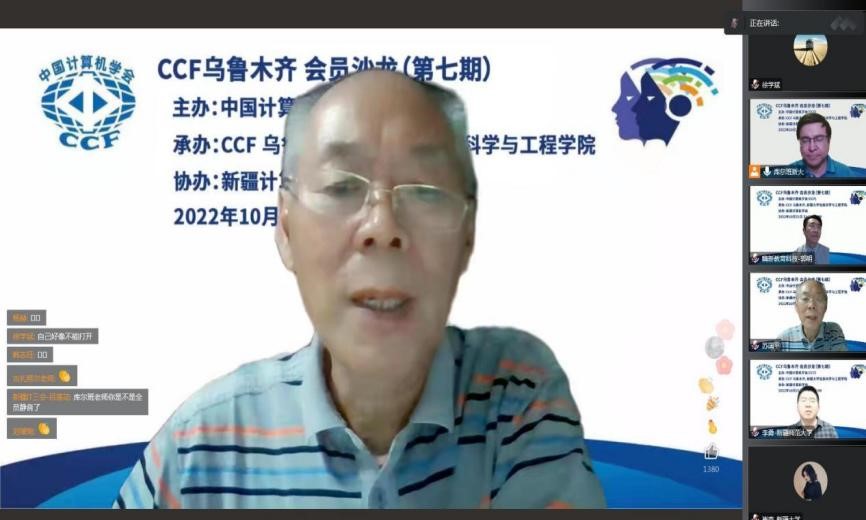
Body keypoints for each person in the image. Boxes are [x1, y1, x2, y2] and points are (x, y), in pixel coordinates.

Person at [113, 70, 605, 509]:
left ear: (468, 234)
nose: (382, 226)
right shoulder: (200, 448)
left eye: (425, 190)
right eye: (341, 187)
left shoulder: (514, 396)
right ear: (285, 229)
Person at [777, 279, 846, 352]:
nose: (811, 305)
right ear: (796, 306)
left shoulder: (834, 332)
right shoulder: (784, 340)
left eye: (819, 299)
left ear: (826, 306)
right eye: (805, 299)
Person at [788, 112, 857, 178]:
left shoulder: (846, 174)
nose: (812, 148)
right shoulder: (787, 174)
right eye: (805, 140)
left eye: (819, 139)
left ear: (828, 140)